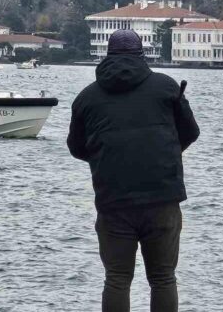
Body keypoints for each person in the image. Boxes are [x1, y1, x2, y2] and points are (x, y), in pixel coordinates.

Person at [67, 29, 200, 312]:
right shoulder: (166, 87)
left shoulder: (86, 98)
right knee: (163, 278)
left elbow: (77, 148)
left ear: (107, 56)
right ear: (142, 54)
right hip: (162, 198)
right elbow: (190, 132)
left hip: (113, 200)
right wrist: (165, 155)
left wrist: (106, 159)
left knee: (116, 279)